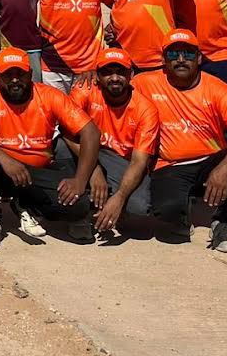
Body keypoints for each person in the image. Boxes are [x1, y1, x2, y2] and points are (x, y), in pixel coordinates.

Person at [135, 30, 227, 253]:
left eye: (189, 54)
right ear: (163, 60)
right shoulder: (145, 83)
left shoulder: (217, 88)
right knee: (166, 212)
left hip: (210, 161)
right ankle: (183, 211)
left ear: (199, 58)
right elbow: (113, 89)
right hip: (169, 165)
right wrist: (93, 75)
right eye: (173, 54)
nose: (181, 59)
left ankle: (225, 221)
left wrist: (225, 168)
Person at [0, 48, 99, 250]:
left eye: (20, 74)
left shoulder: (49, 95)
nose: (15, 80)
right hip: (1, 169)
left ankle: (27, 205)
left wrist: (81, 179)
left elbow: (90, 132)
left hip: (38, 171)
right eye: (8, 74)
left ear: (30, 74)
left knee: (79, 207)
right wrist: (4, 159)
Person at [67, 48, 159, 234]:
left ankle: (109, 204)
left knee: (139, 208)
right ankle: (78, 213)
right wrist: (94, 170)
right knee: (62, 147)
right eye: (107, 72)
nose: (115, 78)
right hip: (89, 150)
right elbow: (67, 133)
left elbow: (139, 161)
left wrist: (120, 198)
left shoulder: (146, 109)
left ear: (131, 74)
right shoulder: (84, 91)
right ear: (97, 76)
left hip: (122, 160)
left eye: (121, 72)